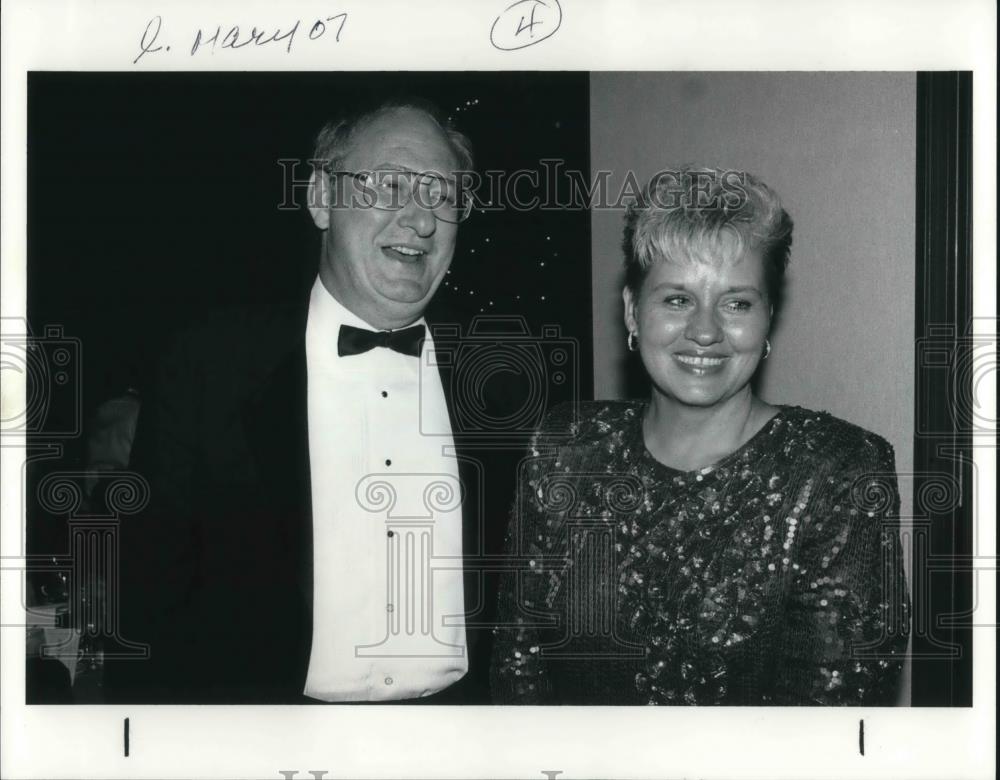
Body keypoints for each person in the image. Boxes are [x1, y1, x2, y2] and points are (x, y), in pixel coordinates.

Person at [108, 97, 509, 704]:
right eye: (389, 184)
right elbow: (147, 609)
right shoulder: (209, 369)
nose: (420, 218)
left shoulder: (501, 381)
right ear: (321, 198)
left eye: (441, 193)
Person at [491, 167, 910, 705]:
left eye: (736, 303)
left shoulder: (838, 470)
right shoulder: (565, 447)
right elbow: (516, 674)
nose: (706, 331)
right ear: (631, 311)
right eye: (677, 299)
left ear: (767, 321)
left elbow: (825, 728)